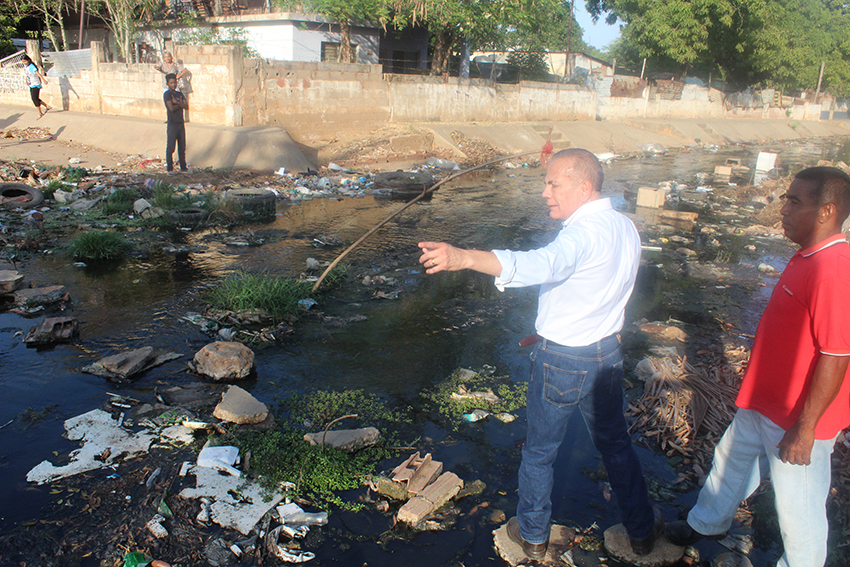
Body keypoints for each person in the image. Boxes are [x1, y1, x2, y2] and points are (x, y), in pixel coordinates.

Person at [418, 148, 662, 559]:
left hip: (564, 361)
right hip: (606, 354)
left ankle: (531, 535)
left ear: (584, 188)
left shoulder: (581, 234)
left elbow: (541, 264)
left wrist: (464, 258)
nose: (544, 192)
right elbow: (604, 286)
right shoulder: (624, 226)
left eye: (554, 184)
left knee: (539, 452)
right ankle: (641, 531)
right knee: (616, 446)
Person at [666, 167, 850, 567]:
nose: (782, 209)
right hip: (763, 401)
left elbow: (837, 355)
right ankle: (706, 523)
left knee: (798, 510)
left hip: (796, 417)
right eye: (785, 198)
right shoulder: (807, 256)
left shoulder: (833, 268)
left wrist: (805, 429)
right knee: (729, 462)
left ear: (826, 211)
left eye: (794, 201)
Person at [163, 73, 188, 172]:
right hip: (172, 124)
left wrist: (177, 102)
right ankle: (170, 169)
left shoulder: (179, 94)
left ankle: (183, 168)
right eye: (171, 83)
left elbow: (186, 106)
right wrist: (180, 104)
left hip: (181, 124)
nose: (174, 84)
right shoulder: (167, 94)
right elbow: (171, 108)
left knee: (182, 148)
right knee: (171, 148)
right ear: (168, 84)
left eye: (175, 82)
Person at [21, 54, 51, 119]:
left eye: (25, 61)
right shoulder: (25, 67)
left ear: (28, 60)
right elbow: (27, 75)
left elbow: (38, 74)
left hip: (35, 83)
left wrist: (43, 80)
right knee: (35, 98)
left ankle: (40, 113)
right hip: (31, 83)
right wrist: (26, 80)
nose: (24, 63)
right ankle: (46, 106)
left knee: (34, 98)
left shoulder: (31, 66)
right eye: (23, 62)